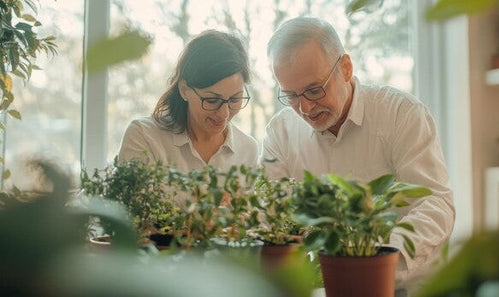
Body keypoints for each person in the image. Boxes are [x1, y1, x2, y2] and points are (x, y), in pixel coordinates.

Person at [262, 17, 455, 291]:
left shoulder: (402, 114)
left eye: (314, 90)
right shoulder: (281, 132)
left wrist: (376, 261)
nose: (305, 108)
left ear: (345, 68)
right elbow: (272, 215)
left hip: (406, 288)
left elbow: (434, 204)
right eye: (291, 96)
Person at [118, 30, 259, 173]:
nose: (224, 114)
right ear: (184, 89)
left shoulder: (248, 150)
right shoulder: (144, 137)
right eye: (211, 100)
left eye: (235, 99)